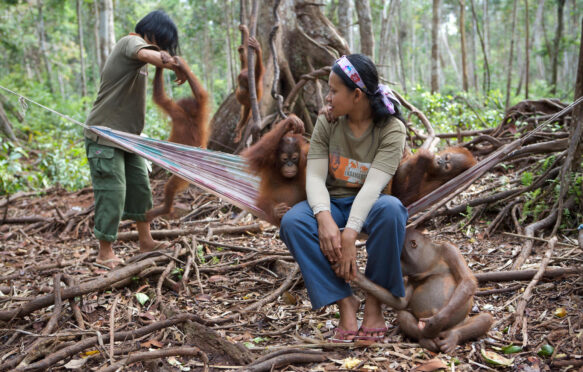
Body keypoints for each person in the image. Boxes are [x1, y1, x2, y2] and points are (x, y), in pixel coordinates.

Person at [279, 54, 408, 342]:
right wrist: (323, 216)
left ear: (357, 95)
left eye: (334, 90)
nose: (328, 97)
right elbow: (314, 177)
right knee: (293, 222)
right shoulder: (329, 122)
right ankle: (344, 302)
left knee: (392, 210)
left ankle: (374, 304)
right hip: (334, 201)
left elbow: (373, 187)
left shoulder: (391, 129)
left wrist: (350, 234)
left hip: (372, 203)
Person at [84, 10, 185, 268]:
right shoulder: (131, 42)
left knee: (141, 188)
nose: (162, 47)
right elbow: (147, 54)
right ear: (151, 33)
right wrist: (167, 60)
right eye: (161, 41)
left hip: (130, 139)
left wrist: (169, 65)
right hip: (104, 136)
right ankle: (104, 252)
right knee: (113, 193)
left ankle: (146, 241)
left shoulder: (141, 62)